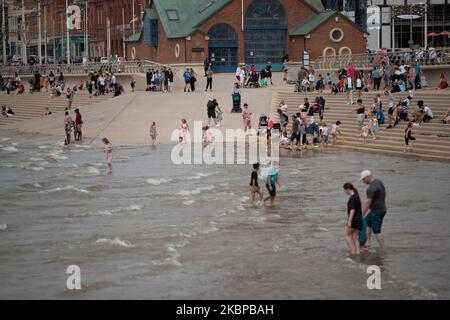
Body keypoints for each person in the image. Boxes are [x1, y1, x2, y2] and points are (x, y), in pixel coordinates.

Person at [361, 170, 387, 251]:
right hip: (381, 209)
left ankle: (382, 249)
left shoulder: (371, 188)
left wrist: (361, 214)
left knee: (376, 230)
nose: (363, 181)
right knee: (367, 222)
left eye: (363, 179)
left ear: (368, 177)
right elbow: (385, 192)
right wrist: (381, 201)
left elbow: (368, 202)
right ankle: (368, 243)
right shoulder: (379, 181)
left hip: (377, 211)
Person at [343, 182, 363, 255]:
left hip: (354, 220)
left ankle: (353, 252)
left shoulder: (352, 198)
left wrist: (349, 221)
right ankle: (358, 252)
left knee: (346, 235)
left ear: (348, 189)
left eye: (344, 190)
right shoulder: (357, 196)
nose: (344, 192)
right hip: (359, 220)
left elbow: (352, 210)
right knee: (354, 237)